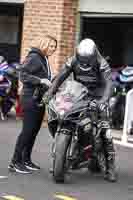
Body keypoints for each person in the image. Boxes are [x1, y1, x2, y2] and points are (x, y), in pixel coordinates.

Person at [47, 38, 117, 182]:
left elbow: (109, 83)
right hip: (78, 94)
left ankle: (110, 168)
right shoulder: (72, 60)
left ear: (93, 55)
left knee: (105, 130)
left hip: (97, 97)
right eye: (82, 59)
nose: (84, 62)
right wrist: (50, 93)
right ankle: (60, 158)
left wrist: (103, 101)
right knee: (61, 116)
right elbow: (60, 77)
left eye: (87, 59)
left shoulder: (101, 63)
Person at [8, 35, 57, 174]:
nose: (53, 49)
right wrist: (40, 81)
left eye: (55, 47)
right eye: (51, 46)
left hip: (39, 99)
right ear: (44, 44)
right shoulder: (35, 57)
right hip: (30, 98)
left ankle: (26, 160)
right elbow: (22, 75)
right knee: (27, 131)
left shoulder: (43, 58)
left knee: (34, 131)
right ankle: (15, 162)